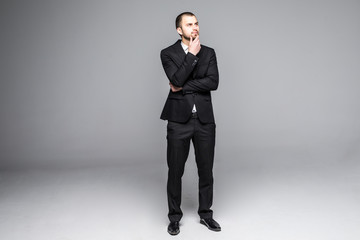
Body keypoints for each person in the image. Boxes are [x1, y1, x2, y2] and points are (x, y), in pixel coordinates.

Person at [160, 12, 221, 235]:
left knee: (206, 170)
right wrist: (192, 56)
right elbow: (174, 78)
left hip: (204, 121)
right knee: (175, 171)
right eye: (189, 24)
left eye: (196, 23)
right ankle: (174, 218)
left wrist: (183, 87)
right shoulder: (167, 53)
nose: (194, 27)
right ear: (179, 30)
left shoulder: (210, 52)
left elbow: (213, 82)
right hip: (178, 121)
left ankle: (206, 215)